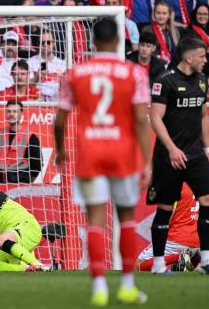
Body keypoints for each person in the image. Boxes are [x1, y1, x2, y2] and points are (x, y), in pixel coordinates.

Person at [54, 17, 152, 305]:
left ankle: (98, 288)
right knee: (126, 218)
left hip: (91, 153)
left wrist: (60, 150)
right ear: (120, 41)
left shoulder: (75, 73)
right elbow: (140, 121)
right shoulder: (133, 73)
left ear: (93, 41)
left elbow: (59, 121)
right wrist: (146, 161)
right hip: (123, 153)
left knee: (95, 219)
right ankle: (127, 285)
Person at [148, 37, 209, 275]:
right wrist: (171, 148)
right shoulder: (165, 81)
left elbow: (203, 116)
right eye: (202, 56)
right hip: (168, 154)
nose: (206, 60)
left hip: (194, 153)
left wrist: (208, 152)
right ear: (189, 58)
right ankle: (159, 264)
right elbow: (155, 118)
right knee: (164, 207)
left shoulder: (202, 81)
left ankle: (206, 260)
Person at [137, 184, 200, 272]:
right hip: (197, 241)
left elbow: (167, 215)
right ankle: (195, 256)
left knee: (138, 265)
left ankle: (179, 256)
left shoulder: (177, 183)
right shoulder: (199, 183)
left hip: (177, 238)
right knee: (179, 271)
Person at [0, 99, 41, 183]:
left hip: (21, 182)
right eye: (9, 111)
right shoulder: (1, 133)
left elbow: (37, 165)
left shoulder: (31, 136)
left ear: (21, 114)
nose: (11, 114)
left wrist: (28, 183)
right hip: (3, 181)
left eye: (15, 111)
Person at [28, 29, 67, 101]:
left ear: (54, 43)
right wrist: (38, 76)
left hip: (57, 101)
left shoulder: (62, 64)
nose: (45, 45)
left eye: (48, 42)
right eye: (42, 43)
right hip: (37, 100)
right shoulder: (30, 62)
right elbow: (26, 86)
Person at [141, 1, 181, 65]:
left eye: (164, 13)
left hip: (173, 65)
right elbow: (146, 52)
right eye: (158, 13)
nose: (161, 16)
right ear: (154, 14)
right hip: (154, 65)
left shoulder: (175, 31)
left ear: (169, 15)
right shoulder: (147, 30)